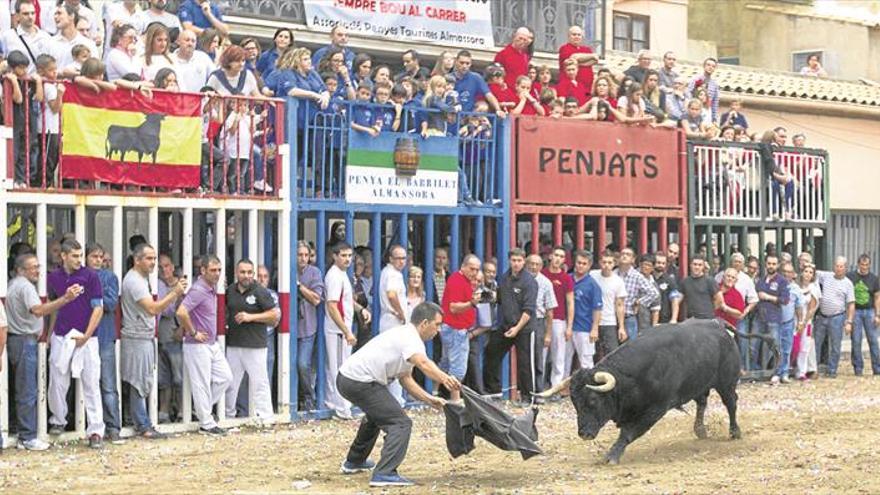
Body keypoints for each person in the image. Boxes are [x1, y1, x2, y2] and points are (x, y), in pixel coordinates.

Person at [337, 302, 459, 488]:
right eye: (437, 324)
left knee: (378, 415)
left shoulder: (407, 336)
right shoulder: (410, 338)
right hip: (357, 381)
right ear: (424, 323)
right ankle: (384, 473)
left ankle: (355, 461)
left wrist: (429, 399)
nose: (439, 330)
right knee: (400, 423)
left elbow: (406, 378)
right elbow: (423, 364)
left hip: (349, 379)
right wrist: (445, 379)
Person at [6, 253, 80, 450]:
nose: (38, 270)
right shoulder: (25, 287)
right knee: (28, 390)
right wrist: (65, 299)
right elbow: (38, 311)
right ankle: (27, 436)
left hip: (17, 340)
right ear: (21, 270)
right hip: (25, 341)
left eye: (38, 266)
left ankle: (24, 433)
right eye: (33, 267)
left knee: (23, 388)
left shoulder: (14, 285)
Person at [121, 243, 186, 440]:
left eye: (154, 258)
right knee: (138, 382)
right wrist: (174, 293)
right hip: (137, 338)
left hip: (142, 336)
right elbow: (152, 309)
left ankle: (142, 422)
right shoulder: (135, 281)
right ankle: (143, 425)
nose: (153, 263)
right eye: (149, 258)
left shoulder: (141, 279)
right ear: (137, 260)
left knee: (142, 381)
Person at [46, 239, 105, 448]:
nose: (79, 260)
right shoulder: (53, 278)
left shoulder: (91, 276)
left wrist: (87, 335)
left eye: (81, 256)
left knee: (91, 383)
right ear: (63, 256)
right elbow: (51, 307)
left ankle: (96, 430)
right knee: (57, 382)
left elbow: (98, 308)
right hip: (62, 335)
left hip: (87, 337)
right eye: (75, 256)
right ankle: (58, 420)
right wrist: (49, 334)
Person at [176, 254, 232, 436]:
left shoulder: (210, 287)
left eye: (219, 270)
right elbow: (181, 312)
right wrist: (193, 332)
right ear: (203, 271)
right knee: (201, 384)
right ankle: (206, 423)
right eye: (213, 270)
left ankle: (202, 411)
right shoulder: (199, 289)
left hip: (210, 343)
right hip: (197, 344)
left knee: (225, 378)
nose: (217, 274)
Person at [223, 259, 280, 422]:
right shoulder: (230, 291)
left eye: (249, 272)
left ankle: (266, 417)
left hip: (255, 345)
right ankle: (228, 415)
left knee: (260, 382)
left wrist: (251, 317)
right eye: (242, 272)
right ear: (236, 273)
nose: (246, 276)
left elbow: (274, 315)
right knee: (230, 383)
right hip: (234, 344)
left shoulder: (260, 291)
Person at [324, 242, 371, 419]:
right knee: (339, 368)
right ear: (334, 256)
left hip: (340, 329)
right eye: (343, 255)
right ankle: (342, 409)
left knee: (337, 367)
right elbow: (332, 306)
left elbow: (345, 301)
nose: (347, 259)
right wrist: (346, 331)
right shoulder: (335, 276)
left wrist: (361, 309)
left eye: (350, 256)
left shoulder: (341, 274)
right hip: (337, 330)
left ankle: (335, 404)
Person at [484, 249, 537, 405]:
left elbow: (528, 310)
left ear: (524, 261)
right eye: (513, 260)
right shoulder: (505, 278)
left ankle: (528, 397)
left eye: (519, 260)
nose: (516, 263)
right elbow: (500, 298)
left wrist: (517, 328)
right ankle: (495, 391)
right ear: (509, 261)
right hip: (507, 325)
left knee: (525, 362)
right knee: (491, 351)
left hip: (524, 328)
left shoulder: (529, 281)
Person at [85, 244, 123, 444]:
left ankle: (113, 426)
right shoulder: (79, 276)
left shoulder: (109, 277)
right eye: (94, 256)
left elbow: (110, 304)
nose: (98, 260)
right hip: (83, 336)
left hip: (105, 336)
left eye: (101, 256)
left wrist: (91, 297)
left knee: (108, 384)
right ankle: (89, 426)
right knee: (86, 384)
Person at [439, 254, 481, 401]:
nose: (474, 273)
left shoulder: (462, 280)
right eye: (472, 269)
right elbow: (454, 307)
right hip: (456, 328)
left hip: (454, 328)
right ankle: (455, 400)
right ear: (463, 266)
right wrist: (471, 304)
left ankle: (435, 393)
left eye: (477, 270)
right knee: (457, 367)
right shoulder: (458, 280)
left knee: (446, 363)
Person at [814, 257, 856, 378]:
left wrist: (849, 322)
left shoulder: (848, 284)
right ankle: (814, 368)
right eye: (837, 266)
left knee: (835, 345)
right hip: (822, 316)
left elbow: (851, 304)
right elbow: (812, 271)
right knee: (817, 343)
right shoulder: (826, 276)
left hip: (837, 317)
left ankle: (832, 370)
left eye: (841, 266)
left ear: (845, 268)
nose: (838, 268)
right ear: (834, 267)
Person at [715, 253, 758, 369]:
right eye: (735, 261)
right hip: (715, 321)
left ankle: (742, 366)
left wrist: (743, 313)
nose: (737, 263)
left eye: (740, 262)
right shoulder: (717, 281)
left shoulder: (745, 282)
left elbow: (753, 300)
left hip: (735, 320)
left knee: (742, 341)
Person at [379, 245, 409, 405]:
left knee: (390, 360)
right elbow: (391, 294)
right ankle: (396, 399)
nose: (401, 261)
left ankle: (393, 398)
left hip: (388, 319)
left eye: (404, 258)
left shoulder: (387, 272)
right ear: (390, 259)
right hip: (393, 320)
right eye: (398, 258)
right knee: (396, 360)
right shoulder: (393, 275)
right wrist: (401, 312)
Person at [295, 241, 323, 411]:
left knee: (302, 364)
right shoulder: (285, 269)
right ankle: (295, 399)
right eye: (300, 255)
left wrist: (299, 286)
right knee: (289, 366)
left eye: (306, 255)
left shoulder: (314, 272)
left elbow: (316, 299)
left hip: (307, 327)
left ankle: (308, 398)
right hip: (288, 328)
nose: (303, 258)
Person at [156, 254, 184, 424]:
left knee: (179, 378)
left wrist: (183, 329)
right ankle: (164, 412)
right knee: (163, 379)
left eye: (166, 266)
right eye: (160, 267)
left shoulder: (182, 286)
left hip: (175, 336)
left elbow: (173, 310)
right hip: (160, 337)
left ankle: (182, 411)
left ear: (172, 267)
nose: (164, 270)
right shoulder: (157, 285)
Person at [542, 246, 574, 390]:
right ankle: (539, 386)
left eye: (561, 257)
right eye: (556, 255)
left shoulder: (566, 278)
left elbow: (570, 302)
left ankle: (555, 388)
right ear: (550, 256)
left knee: (558, 356)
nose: (558, 259)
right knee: (541, 355)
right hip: (541, 319)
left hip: (559, 320)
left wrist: (569, 326)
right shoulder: (542, 275)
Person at [525, 254, 557, 397]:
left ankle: (538, 391)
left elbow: (550, 311)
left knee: (538, 358)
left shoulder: (546, 283)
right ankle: (525, 390)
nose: (533, 267)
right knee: (524, 357)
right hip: (521, 321)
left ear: (541, 266)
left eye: (537, 264)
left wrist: (548, 334)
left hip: (538, 321)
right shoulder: (521, 280)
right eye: (531, 263)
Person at [751, 255, 789, 371]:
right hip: (759, 317)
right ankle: (754, 370)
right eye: (769, 263)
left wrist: (768, 297)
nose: (771, 266)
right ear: (765, 264)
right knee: (753, 345)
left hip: (773, 318)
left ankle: (776, 372)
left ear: (777, 265)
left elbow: (785, 300)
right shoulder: (760, 280)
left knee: (775, 346)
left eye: (773, 264)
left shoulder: (782, 281)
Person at [846, 254, 880, 376]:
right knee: (856, 340)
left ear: (869, 265)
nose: (864, 267)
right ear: (858, 264)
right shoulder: (850, 276)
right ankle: (858, 368)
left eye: (867, 265)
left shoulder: (874, 279)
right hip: (855, 311)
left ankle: (877, 368)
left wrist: (878, 315)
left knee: (873, 341)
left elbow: (877, 297)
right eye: (862, 264)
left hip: (870, 311)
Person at [615, 248, 659, 340]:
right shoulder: (613, 274)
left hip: (628, 317)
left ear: (633, 259)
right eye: (622, 253)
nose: (624, 256)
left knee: (630, 347)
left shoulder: (637, 276)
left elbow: (654, 293)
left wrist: (639, 302)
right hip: (612, 317)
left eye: (628, 254)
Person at [590, 252, 627, 361]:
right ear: (600, 263)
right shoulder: (592, 275)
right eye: (604, 262)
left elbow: (620, 305)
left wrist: (621, 327)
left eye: (609, 262)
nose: (606, 265)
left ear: (614, 264)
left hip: (609, 322)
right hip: (591, 322)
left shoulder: (618, 281)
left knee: (611, 354)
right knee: (592, 355)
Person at [773, 262, 805, 384]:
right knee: (776, 348)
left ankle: (784, 372)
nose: (786, 274)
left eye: (789, 272)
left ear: (793, 274)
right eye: (784, 271)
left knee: (787, 349)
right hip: (775, 322)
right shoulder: (775, 285)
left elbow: (799, 306)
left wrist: (800, 321)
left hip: (788, 322)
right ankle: (776, 372)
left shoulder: (796, 289)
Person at [1, 0, 52, 74]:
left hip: (40, 83)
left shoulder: (46, 37)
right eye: (26, 14)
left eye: (33, 13)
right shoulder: (7, 36)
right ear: (17, 16)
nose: (30, 17)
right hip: (17, 83)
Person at [795, 264, 821, 380]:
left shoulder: (813, 289)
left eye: (811, 272)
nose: (808, 274)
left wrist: (803, 323)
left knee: (805, 347)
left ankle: (802, 371)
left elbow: (812, 309)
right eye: (806, 271)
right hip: (794, 319)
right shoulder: (795, 287)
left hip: (806, 322)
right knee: (793, 345)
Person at [679, 256, 722, 320]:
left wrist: (709, 311)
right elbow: (678, 300)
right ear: (690, 265)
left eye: (700, 265)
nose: (697, 267)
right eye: (695, 264)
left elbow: (719, 300)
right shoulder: (685, 282)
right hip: (691, 319)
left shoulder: (710, 281)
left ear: (703, 267)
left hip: (707, 319)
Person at [557, 25, 597, 92]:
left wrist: (578, 62)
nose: (577, 37)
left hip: (587, 89)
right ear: (569, 36)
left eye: (579, 35)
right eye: (574, 34)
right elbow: (574, 57)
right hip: (570, 88)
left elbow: (595, 60)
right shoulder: (564, 48)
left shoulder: (587, 49)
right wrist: (591, 56)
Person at [173, 28, 213, 92]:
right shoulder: (170, 59)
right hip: (176, 100)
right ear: (178, 41)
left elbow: (215, 77)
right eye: (187, 40)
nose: (190, 44)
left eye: (193, 41)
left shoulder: (203, 57)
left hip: (199, 101)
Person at [652, 252, 682, 324]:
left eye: (663, 263)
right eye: (658, 262)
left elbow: (675, 299)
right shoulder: (647, 278)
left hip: (664, 319)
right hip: (648, 318)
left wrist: (674, 319)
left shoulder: (669, 280)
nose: (661, 265)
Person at [688, 57, 720, 122]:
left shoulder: (715, 84)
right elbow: (688, 94)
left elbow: (715, 102)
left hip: (707, 112)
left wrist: (714, 118)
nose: (710, 67)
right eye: (708, 65)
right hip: (694, 111)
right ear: (704, 66)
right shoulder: (696, 79)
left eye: (713, 66)